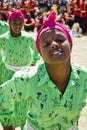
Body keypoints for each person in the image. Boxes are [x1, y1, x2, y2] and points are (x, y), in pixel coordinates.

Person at [0, 11, 87, 130]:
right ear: (41, 53)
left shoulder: (83, 77)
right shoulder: (26, 79)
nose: (54, 44)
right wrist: (7, 126)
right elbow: (3, 96)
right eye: (46, 43)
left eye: (61, 40)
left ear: (70, 45)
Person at [0, 8, 40, 85]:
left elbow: (37, 49)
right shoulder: (3, 39)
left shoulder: (28, 38)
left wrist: (33, 62)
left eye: (20, 23)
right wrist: (1, 63)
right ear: (9, 24)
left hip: (25, 72)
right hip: (8, 72)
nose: (17, 26)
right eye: (14, 23)